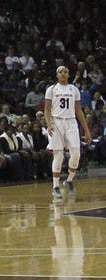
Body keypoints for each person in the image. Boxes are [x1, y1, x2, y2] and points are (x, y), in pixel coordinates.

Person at [45, 65, 91, 201]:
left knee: (76, 153)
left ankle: (69, 180)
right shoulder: (51, 89)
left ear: (69, 75)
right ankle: (56, 187)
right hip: (56, 122)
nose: (63, 74)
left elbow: (78, 110)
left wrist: (87, 130)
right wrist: (48, 124)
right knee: (58, 156)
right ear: (57, 75)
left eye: (65, 71)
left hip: (71, 122)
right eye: (60, 71)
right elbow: (47, 110)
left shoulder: (74, 89)